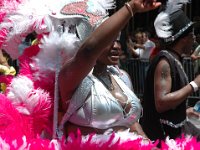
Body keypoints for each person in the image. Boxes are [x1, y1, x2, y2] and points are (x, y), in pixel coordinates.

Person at [57, 0, 161, 141]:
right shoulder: (72, 77)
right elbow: (88, 52)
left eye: (117, 40)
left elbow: (131, 123)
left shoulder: (121, 76)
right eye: (108, 41)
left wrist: (148, 144)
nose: (117, 46)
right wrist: (131, 8)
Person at [141, 0, 200, 142]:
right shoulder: (164, 62)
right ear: (184, 38)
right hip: (160, 139)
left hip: (173, 134)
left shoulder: (173, 59)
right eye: (192, 36)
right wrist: (195, 84)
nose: (194, 40)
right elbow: (161, 103)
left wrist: (184, 111)